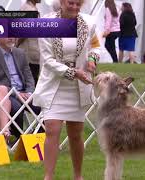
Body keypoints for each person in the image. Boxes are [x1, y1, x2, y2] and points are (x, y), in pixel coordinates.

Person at [32, 0, 101, 179]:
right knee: (51, 129)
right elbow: (48, 60)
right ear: (61, 2)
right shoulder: (47, 24)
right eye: (71, 3)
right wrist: (72, 72)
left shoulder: (89, 22)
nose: (75, 7)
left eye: (78, 4)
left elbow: (95, 45)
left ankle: (78, 176)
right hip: (55, 83)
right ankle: (49, 176)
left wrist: (93, 60)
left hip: (79, 85)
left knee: (76, 133)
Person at [0, 37, 40, 139]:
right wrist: (16, 94)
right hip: (7, 94)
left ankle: (37, 137)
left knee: (45, 105)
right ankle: (16, 139)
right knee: (16, 107)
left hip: (25, 93)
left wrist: (30, 92)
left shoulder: (20, 53)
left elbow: (29, 77)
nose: (11, 38)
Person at [16, 0, 41, 85]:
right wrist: (16, 45)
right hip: (30, 53)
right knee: (31, 82)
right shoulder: (30, 10)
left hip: (29, 51)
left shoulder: (27, 7)